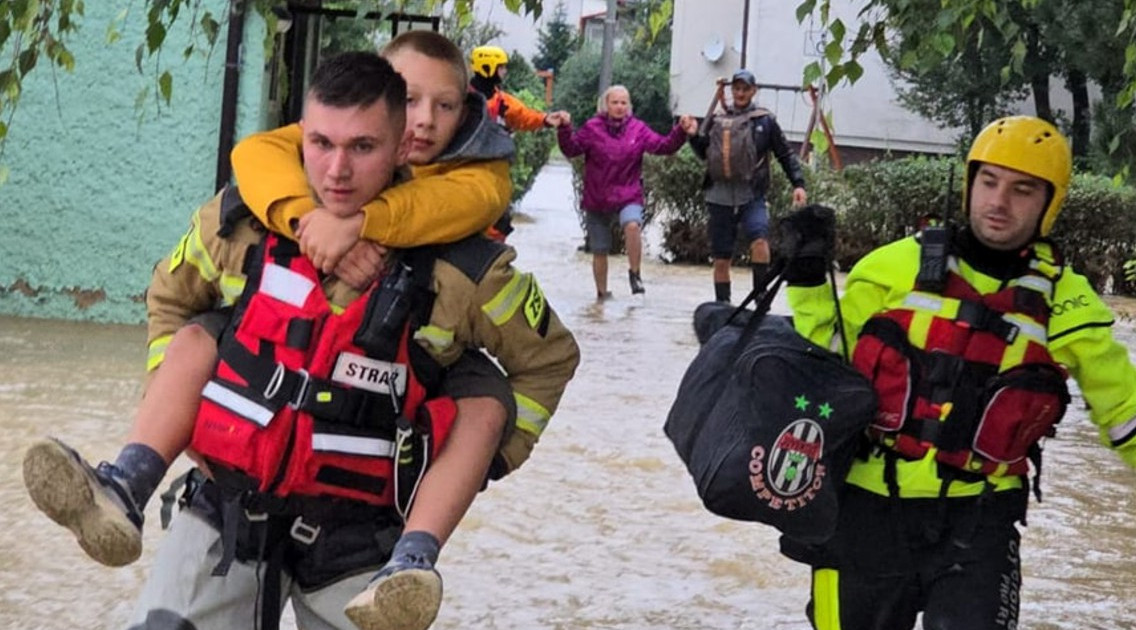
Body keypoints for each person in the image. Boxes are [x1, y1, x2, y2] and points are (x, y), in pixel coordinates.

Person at [28, 47, 580, 630]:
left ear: (398, 149)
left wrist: (480, 465)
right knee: (197, 337)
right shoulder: (243, 219)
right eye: (321, 145)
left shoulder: (465, 266)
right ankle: (126, 483)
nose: (337, 170)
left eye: (363, 147)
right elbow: (170, 297)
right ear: (300, 138)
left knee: (485, 398)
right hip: (228, 508)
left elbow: (550, 359)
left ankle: (415, 559)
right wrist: (179, 418)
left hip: (363, 540)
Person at [778, 115, 1136, 629]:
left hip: (979, 523)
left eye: (1022, 190)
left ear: (1049, 204)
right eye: (988, 182)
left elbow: (1126, 410)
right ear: (970, 183)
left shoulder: (1068, 304)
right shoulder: (890, 267)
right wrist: (807, 281)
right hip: (866, 513)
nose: (998, 203)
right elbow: (824, 365)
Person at [555, 85, 692, 299]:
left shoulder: (638, 129)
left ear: (629, 106)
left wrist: (681, 131)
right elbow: (571, 149)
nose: (619, 107)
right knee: (600, 250)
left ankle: (635, 274)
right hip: (597, 197)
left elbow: (663, 146)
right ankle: (601, 295)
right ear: (605, 105)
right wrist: (564, 128)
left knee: (632, 225)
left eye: (623, 103)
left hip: (628, 194)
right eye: (615, 102)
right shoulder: (592, 128)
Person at [683, 68, 807, 304]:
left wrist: (798, 184)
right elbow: (704, 154)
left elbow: (784, 154)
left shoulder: (765, 121)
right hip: (718, 195)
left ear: (753, 91)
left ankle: (760, 295)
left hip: (752, 193)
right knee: (721, 258)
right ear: (732, 90)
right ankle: (723, 305)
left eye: (745, 89)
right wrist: (691, 135)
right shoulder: (719, 118)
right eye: (736, 88)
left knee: (760, 240)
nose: (740, 93)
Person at [468, 44, 570, 241]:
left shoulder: (503, 102)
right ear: (487, 67)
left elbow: (523, 116)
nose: (504, 72)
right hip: (465, 168)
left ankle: (491, 261)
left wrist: (546, 120)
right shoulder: (460, 97)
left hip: (494, 170)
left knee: (499, 224)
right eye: (501, 67)